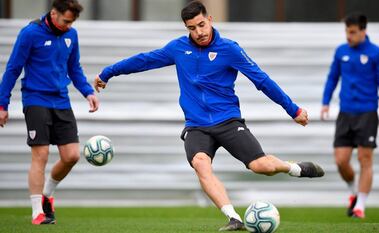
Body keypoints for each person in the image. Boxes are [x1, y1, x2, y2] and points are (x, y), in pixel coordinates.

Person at [94, 1, 324, 231]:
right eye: (192, 28)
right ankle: (234, 218)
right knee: (200, 163)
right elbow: (144, 60)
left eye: (201, 25)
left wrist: (293, 110)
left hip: (228, 120)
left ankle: (294, 168)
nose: (199, 32)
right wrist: (108, 72)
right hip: (197, 126)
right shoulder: (178, 49)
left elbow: (262, 81)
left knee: (260, 166)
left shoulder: (230, 49)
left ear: (210, 19)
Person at [0, 0, 99, 225]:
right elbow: (13, 68)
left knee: (72, 155)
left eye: (72, 22)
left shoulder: (71, 35)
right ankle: (38, 212)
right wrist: (2, 104)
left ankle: (46, 193)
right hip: (35, 100)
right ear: (54, 13)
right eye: (66, 21)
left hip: (61, 101)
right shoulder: (30, 33)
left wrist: (87, 92)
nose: (68, 25)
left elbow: (74, 68)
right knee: (41, 155)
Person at [321, 12, 379, 219]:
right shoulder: (341, 51)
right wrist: (325, 102)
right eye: (346, 31)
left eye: (352, 32)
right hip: (345, 113)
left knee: (365, 159)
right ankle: (354, 193)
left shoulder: (376, 53)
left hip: (367, 113)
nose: (348, 36)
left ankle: (360, 205)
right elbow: (332, 78)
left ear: (363, 31)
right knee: (341, 161)